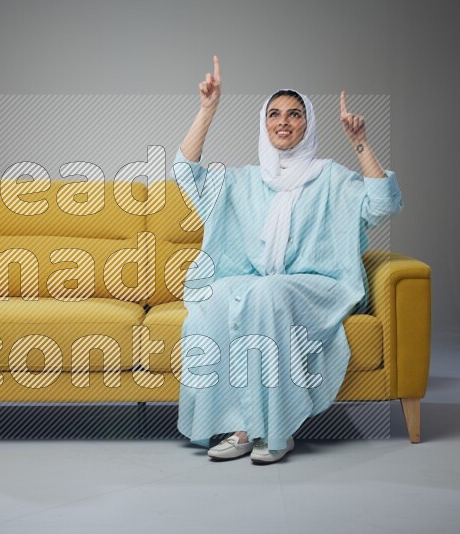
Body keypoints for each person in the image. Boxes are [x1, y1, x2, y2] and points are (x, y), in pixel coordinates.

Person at [169, 55, 403, 464]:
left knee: (267, 293)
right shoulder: (244, 182)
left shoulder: (331, 177)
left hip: (318, 287)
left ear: (307, 124)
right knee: (215, 299)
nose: (283, 121)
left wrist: (360, 143)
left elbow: (382, 205)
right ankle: (242, 426)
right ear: (264, 124)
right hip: (263, 284)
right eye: (274, 114)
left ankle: (275, 431)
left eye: (294, 115)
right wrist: (207, 110)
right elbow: (186, 173)